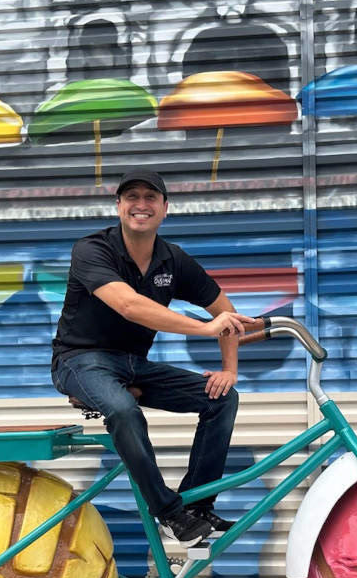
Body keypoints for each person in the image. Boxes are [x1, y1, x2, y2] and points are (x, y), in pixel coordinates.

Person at [51, 169, 254, 547]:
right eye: (132, 197)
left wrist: (230, 370)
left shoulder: (173, 260)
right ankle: (169, 513)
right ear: (119, 206)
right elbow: (128, 305)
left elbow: (225, 311)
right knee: (124, 410)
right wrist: (205, 329)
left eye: (150, 198)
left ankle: (195, 506)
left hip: (132, 364)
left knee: (222, 398)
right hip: (79, 361)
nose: (140, 205)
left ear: (165, 209)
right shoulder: (92, 250)